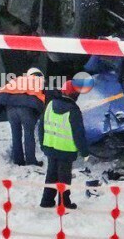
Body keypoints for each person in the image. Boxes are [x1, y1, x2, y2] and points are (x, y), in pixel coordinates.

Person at [40, 80, 89, 209]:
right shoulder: (73, 110)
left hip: (50, 147)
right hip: (66, 151)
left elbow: (41, 125)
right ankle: (64, 202)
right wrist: (84, 151)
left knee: (51, 174)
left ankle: (47, 200)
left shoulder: (50, 104)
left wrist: (42, 144)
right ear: (74, 95)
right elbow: (78, 133)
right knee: (64, 177)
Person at [0, 68, 46, 166]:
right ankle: (31, 161)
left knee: (16, 135)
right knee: (28, 134)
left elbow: (3, 92)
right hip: (26, 109)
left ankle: (18, 160)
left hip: (10, 108)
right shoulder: (39, 81)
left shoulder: (17, 79)